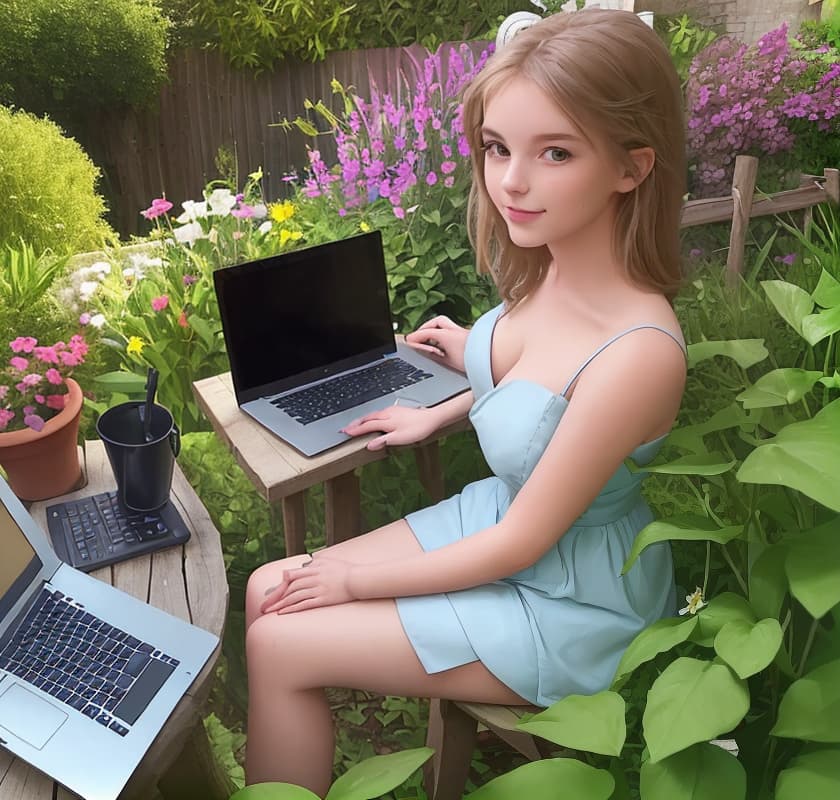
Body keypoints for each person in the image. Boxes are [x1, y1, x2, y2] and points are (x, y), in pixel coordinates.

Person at [244, 8, 687, 794]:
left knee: (282, 640)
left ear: (631, 166)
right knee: (267, 589)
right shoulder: (551, 264)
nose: (511, 181)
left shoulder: (639, 353)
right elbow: (540, 393)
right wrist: (445, 402)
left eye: (555, 152)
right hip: (508, 516)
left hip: (569, 596)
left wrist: (349, 585)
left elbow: (519, 543)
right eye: (497, 147)